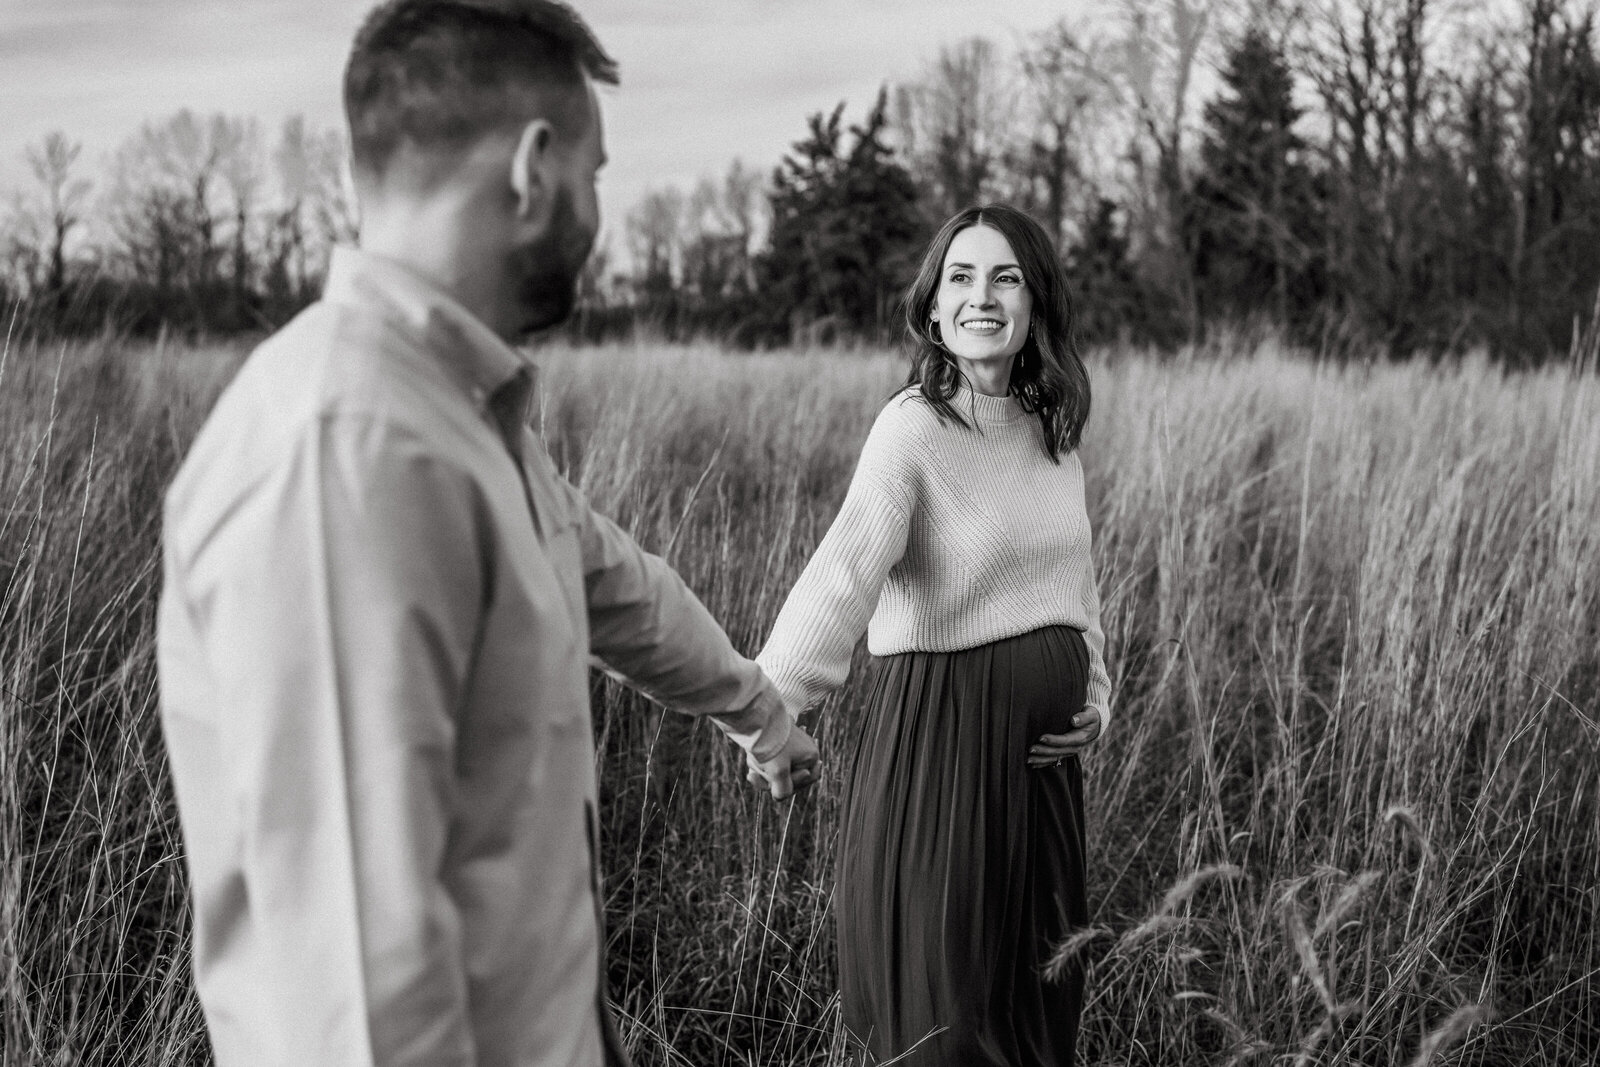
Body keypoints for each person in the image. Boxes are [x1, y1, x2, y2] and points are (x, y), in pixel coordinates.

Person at [155, 2, 819, 1064]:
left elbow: (615, 586)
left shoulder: (457, 415)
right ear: (533, 168)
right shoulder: (347, 450)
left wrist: (756, 710)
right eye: (596, 175)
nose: (598, 213)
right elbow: (358, 999)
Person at [756, 203, 1112, 1065]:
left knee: (1038, 1005)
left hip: (1042, 782)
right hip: (944, 755)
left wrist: (1096, 694)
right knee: (947, 1020)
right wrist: (766, 706)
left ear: (1035, 305)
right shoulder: (913, 427)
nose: (981, 296)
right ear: (935, 303)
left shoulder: (1051, 432)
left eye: (1005, 277)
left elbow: (1077, 587)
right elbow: (842, 572)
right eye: (961, 276)